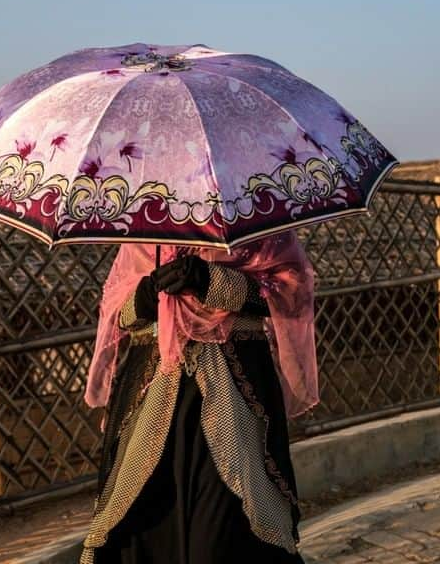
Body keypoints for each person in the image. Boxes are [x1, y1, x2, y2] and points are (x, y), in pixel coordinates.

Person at [69, 231, 316, 563]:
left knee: (226, 525)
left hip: (234, 400)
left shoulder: (254, 220)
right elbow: (118, 306)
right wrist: (145, 295)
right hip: (153, 401)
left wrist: (211, 280)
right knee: (140, 522)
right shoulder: (148, 227)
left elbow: (291, 291)